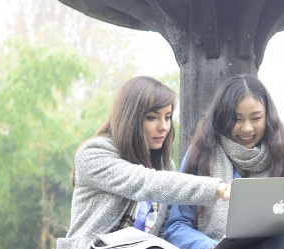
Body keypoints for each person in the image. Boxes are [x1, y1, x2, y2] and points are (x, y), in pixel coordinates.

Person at [56, 76, 232, 249]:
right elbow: (143, 182)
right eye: (152, 117)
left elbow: (162, 233)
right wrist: (219, 189)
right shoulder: (94, 153)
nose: (163, 126)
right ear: (130, 118)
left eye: (168, 117)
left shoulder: (166, 165)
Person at [163, 74, 284, 249]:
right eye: (237, 119)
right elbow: (176, 226)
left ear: (268, 117)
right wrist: (210, 247)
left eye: (256, 118)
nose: (247, 128)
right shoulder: (201, 155)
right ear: (222, 117)